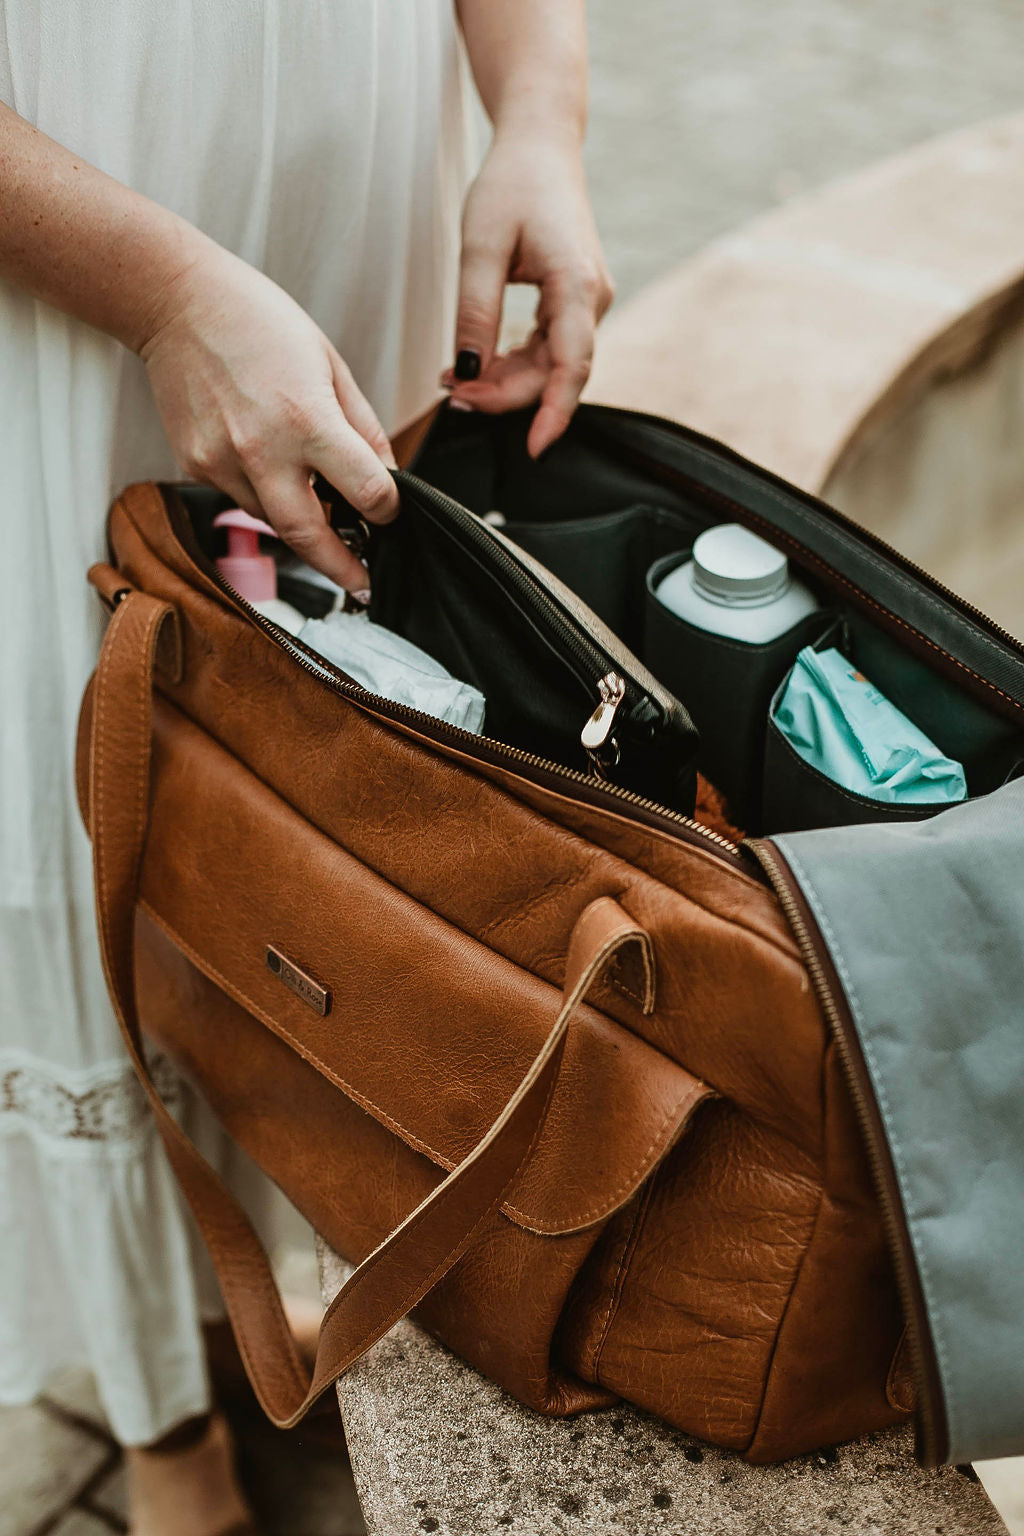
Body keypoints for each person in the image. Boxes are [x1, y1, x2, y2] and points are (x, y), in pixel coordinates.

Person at [0, 3, 612, 1531]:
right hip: (57, 261)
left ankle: (290, 1287)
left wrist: (537, 110)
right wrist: (159, 297)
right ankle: (164, 1427)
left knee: (335, 786)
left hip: (355, 239)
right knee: (80, 826)